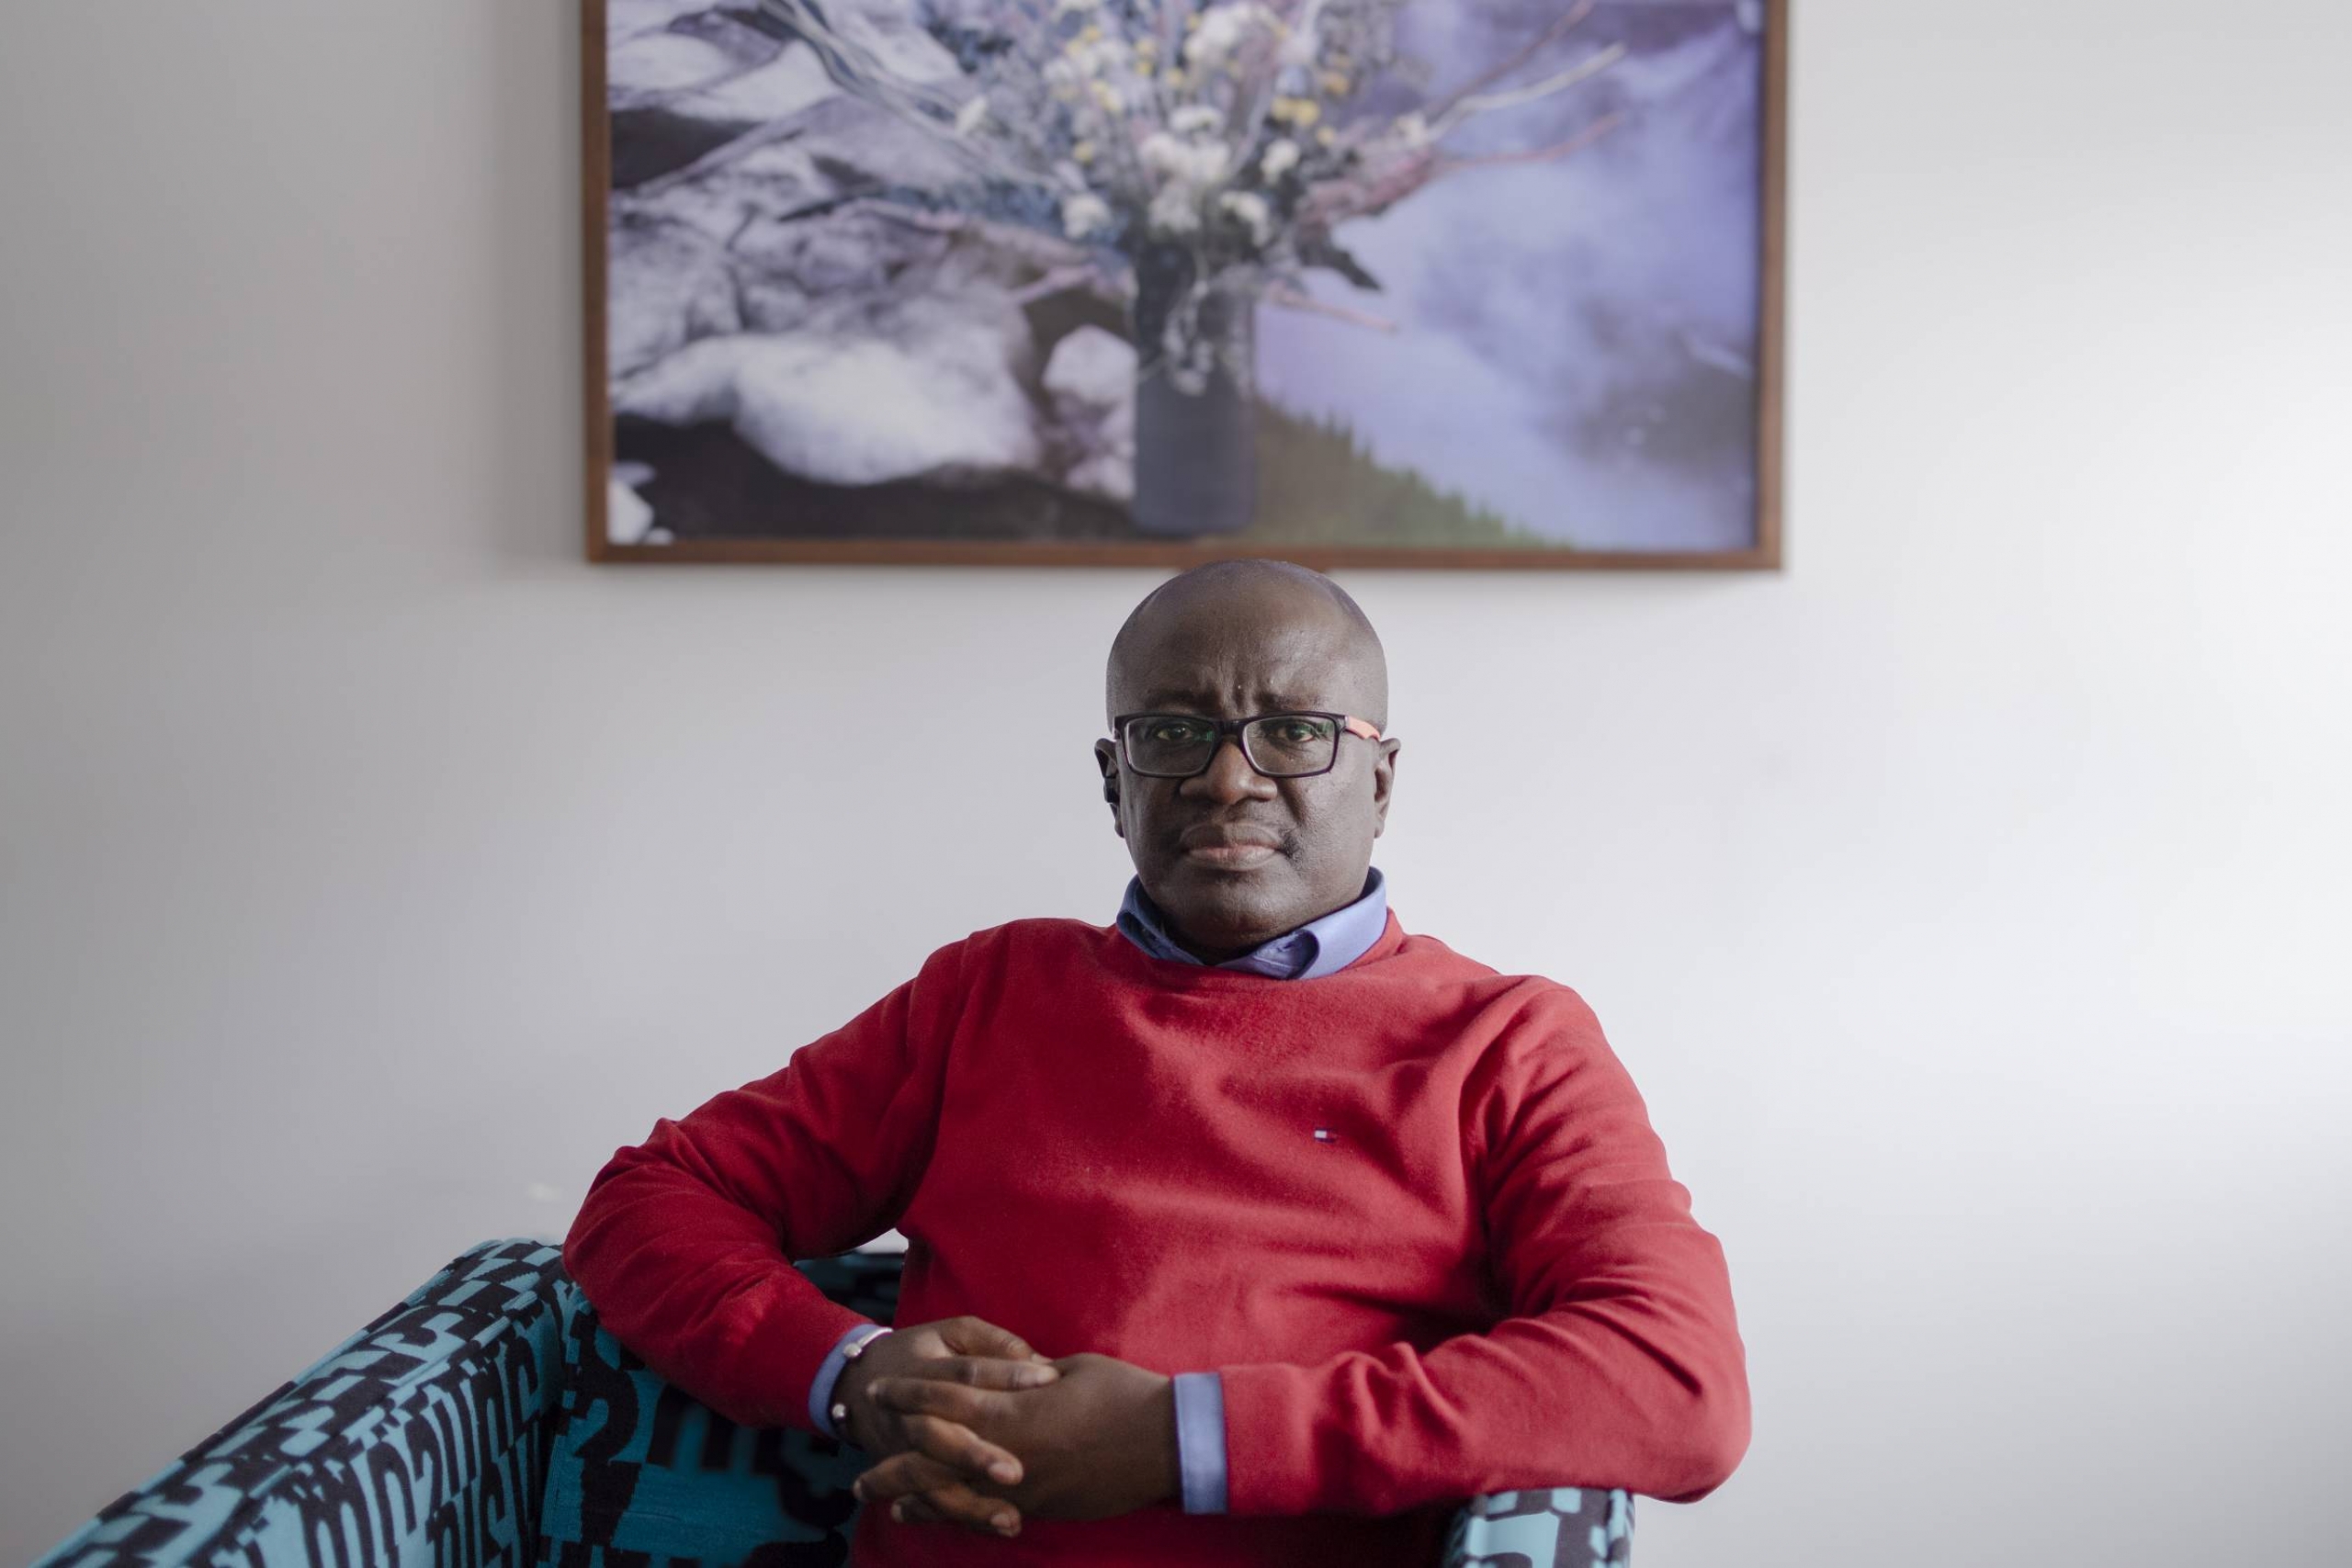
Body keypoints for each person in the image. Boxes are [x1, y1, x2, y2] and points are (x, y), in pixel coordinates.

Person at [562, 559, 1748, 1566]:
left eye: (1296, 732)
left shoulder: (1507, 1042)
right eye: (1172, 735)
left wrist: (1182, 1439)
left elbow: (1673, 1380)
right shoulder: (985, 995)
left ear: (1380, 781)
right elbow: (650, 1201)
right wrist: (856, 1373)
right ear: (1113, 781)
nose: (1229, 779)